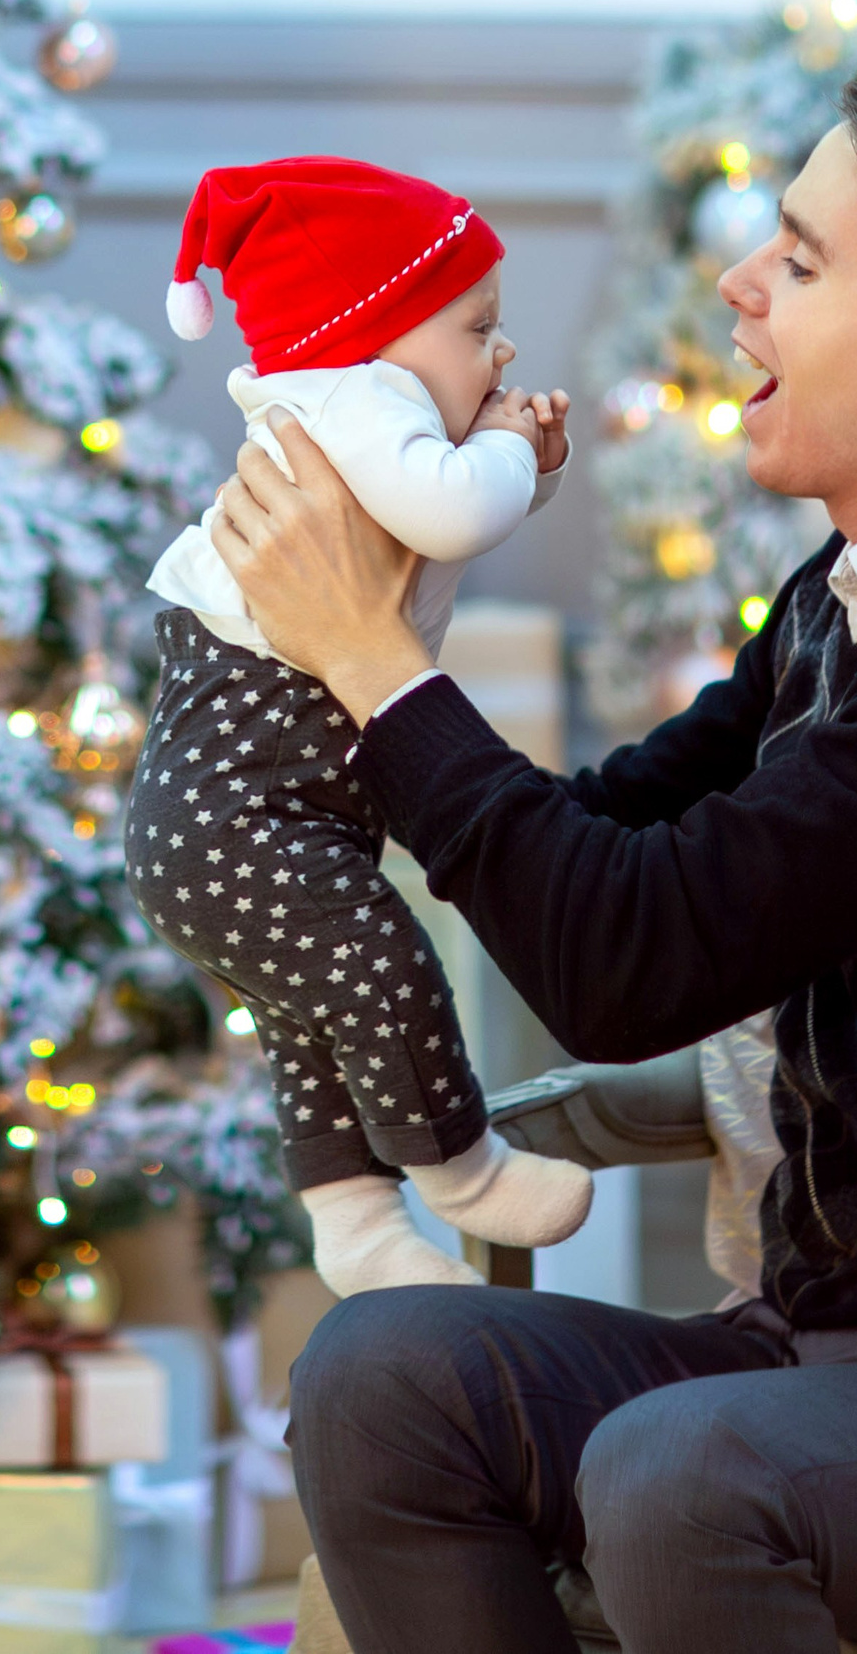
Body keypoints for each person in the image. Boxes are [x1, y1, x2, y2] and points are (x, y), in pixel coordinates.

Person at [206, 60, 857, 1652]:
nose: (738, 285)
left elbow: (629, 964)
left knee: (682, 1475)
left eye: (802, 262)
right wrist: (324, 697)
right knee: (378, 1377)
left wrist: (373, 665)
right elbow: (614, 832)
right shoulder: (850, 594)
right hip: (813, 1350)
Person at [129, 157, 594, 1298]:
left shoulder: (359, 410)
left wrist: (514, 465)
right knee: (380, 964)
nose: (503, 350)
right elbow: (453, 504)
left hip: (240, 803)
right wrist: (504, 454)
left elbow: (441, 515)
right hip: (244, 795)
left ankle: (355, 1225)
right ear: (376, 333)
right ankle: (459, 1164)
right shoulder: (354, 397)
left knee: (314, 1015)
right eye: (477, 326)